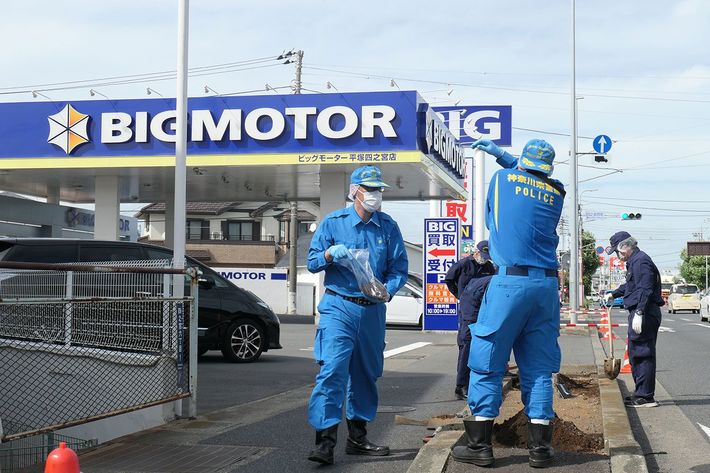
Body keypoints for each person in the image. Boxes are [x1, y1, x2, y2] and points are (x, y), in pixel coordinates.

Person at [452, 139, 565, 469]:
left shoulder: (502, 180)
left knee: (487, 361)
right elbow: (529, 176)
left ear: (521, 162)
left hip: (509, 283)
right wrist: (507, 158)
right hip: (546, 287)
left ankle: (479, 446)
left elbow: (494, 215)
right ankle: (541, 450)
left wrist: (499, 155)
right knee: (539, 369)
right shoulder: (557, 191)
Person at [305, 165, 408, 465]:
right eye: (370, 189)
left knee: (366, 374)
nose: (375, 194)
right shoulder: (333, 223)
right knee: (332, 370)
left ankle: (357, 438)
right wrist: (329, 254)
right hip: (339, 306)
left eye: (379, 189)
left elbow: (399, 269)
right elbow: (312, 262)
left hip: (373, 310)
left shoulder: (388, 227)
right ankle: (325, 443)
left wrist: (387, 290)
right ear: (355, 192)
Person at [605, 231, 664, 408]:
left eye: (617, 251)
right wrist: (614, 293)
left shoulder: (641, 261)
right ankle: (641, 393)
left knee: (642, 353)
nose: (617, 255)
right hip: (642, 312)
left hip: (645, 312)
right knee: (635, 353)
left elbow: (645, 289)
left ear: (624, 247)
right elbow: (631, 286)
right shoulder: (635, 262)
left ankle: (646, 397)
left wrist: (639, 312)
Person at [456, 271, 494, 400]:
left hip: (469, 313)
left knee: (467, 349)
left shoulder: (488, 280)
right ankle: (461, 386)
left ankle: (466, 384)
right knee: (467, 349)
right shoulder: (493, 283)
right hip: (471, 316)